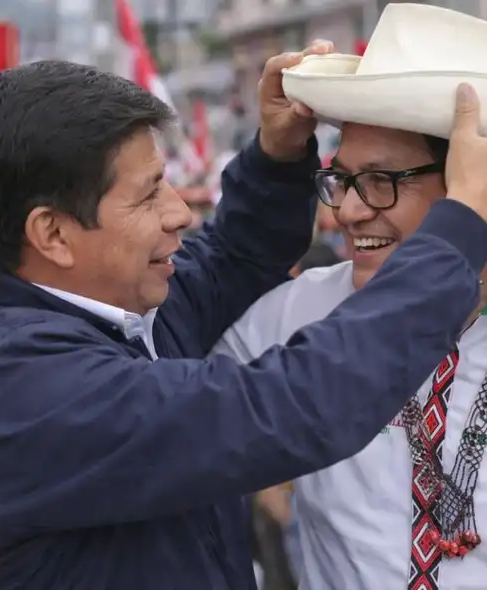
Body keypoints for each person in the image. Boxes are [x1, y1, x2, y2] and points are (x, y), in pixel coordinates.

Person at [0, 48, 487, 590]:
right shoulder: (29, 389)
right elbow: (290, 404)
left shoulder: (137, 315)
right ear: (54, 235)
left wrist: (277, 156)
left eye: (381, 180)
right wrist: (457, 236)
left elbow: (231, 257)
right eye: (147, 194)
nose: (181, 212)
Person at [213, 8, 487, 589]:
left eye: (384, 181)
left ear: (472, 181)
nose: (350, 211)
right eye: (343, 180)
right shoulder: (291, 316)